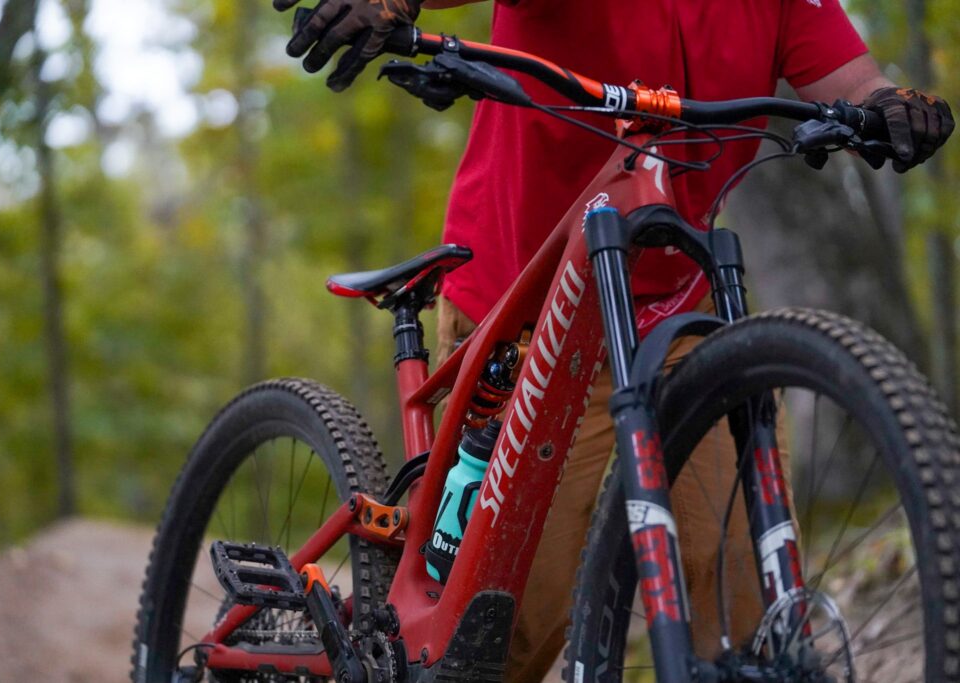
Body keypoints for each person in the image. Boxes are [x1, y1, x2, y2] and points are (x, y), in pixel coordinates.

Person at [273, 0, 955, 679]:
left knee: (736, 579)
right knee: (502, 629)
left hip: (675, 308)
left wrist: (892, 105)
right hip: (530, 309)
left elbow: (851, 78)